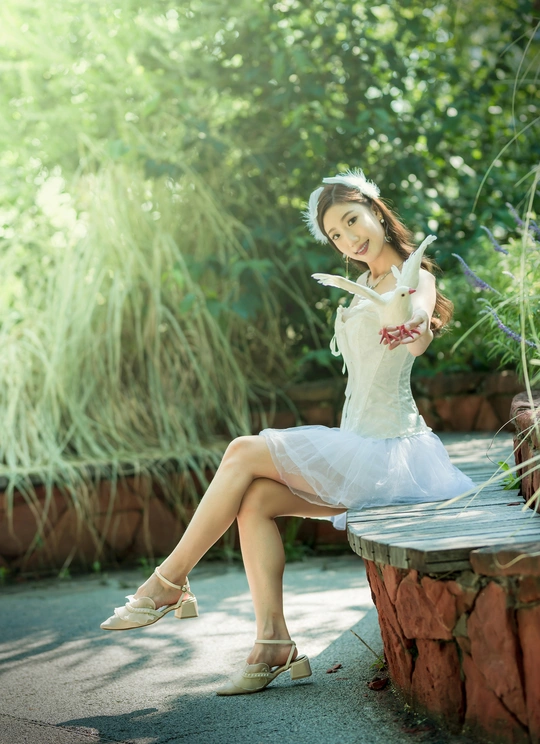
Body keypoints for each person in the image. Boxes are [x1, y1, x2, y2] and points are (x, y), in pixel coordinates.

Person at [100, 169, 475, 695]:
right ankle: (273, 643)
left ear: (376, 211)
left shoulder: (416, 277)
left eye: (353, 221)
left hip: (391, 454)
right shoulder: (363, 286)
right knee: (255, 501)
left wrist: (411, 321)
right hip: (357, 448)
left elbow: (416, 331)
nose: (349, 239)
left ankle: (168, 581)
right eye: (336, 234)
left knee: (242, 450)